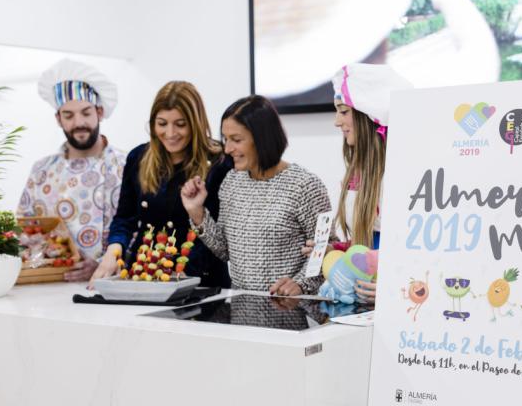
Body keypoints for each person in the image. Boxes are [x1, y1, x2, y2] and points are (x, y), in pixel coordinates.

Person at [181, 95, 331, 296]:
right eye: (226, 139)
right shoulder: (231, 182)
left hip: (293, 314)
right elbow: (224, 251)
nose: (227, 149)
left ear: (262, 138)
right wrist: (196, 212)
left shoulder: (305, 186)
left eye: (236, 140)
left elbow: (326, 252)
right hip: (243, 313)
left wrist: (301, 284)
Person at [90, 81, 232, 288]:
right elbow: (125, 218)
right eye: (162, 123)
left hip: (202, 280)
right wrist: (113, 251)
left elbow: (220, 235)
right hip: (146, 273)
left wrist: (180, 276)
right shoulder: (138, 157)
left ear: (196, 123)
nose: (170, 133)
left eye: (180, 124)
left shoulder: (220, 161)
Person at [303, 63, 413, 302]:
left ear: (369, 114)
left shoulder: (408, 174)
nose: (336, 122)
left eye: (343, 112)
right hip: (367, 299)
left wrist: (396, 284)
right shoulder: (360, 172)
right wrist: (337, 251)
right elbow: (367, 241)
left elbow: (423, 250)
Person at [17, 58, 126, 282]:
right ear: (58, 119)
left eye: (86, 112)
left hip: (110, 288)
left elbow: (142, 229)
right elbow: (24, 231)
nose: (78, 122)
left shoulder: (126, 166)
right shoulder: (42, 172)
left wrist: (103, 264)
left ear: (100, 112)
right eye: (68, 115)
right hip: (49, 289)